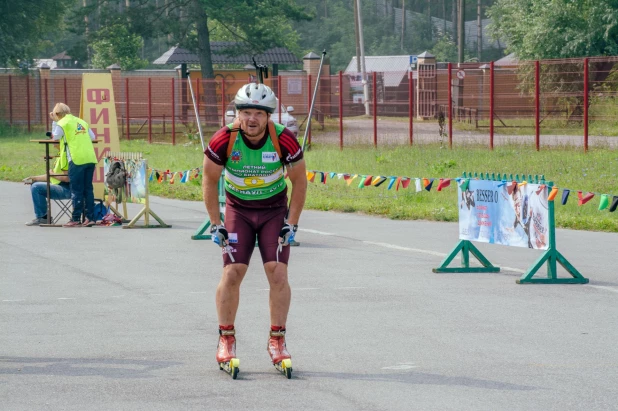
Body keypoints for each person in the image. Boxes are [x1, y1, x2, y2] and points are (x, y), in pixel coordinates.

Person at [202, 82, 307, 376]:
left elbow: (300, 181)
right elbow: (209, 180)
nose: (251, 119)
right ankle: (226, 339)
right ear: (237, 114)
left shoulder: (284, 139)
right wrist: (215, 223)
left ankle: (277, 340)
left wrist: (292, 222)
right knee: (233, 272)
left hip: (274, 211)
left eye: (259, 114)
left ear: (269, 116)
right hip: (239, 211)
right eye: (246, 112)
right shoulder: (224, 139)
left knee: (278, 272)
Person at [50, 103, 98, 227]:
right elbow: (93, 137)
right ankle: (90, 218)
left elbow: (55, 137)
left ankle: (75, 218)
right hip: (90, 158)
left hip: (76, 159)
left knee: (76, 189)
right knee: (88, 188)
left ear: (57, 114)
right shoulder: (81, 122)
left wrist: (54, 122)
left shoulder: (62, 123)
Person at [23, 137, 71, 226]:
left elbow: (67, 178)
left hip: (67, 189)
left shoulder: (65, 156)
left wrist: (52, 174)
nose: (52, 140)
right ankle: (43, 216)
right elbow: (51, 176)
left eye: (53, 138)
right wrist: (34, 178)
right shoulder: (61, 154)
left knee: (36, 187)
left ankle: (43, 217)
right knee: (35, 184)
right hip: (61, 186)